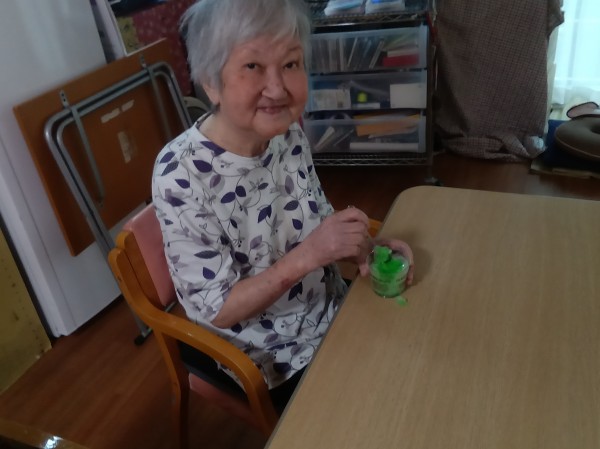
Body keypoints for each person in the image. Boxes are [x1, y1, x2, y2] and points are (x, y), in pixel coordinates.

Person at [152, 0, 414, 410]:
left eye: (290, 63)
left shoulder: (286, 134)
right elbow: (217, 310)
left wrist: (368, 249)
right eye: (253, 66)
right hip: (270, 357)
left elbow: (313, 217)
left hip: (329, 309)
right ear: (211, 83)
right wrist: (310, 254)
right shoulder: (180, 175)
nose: (277, 89)